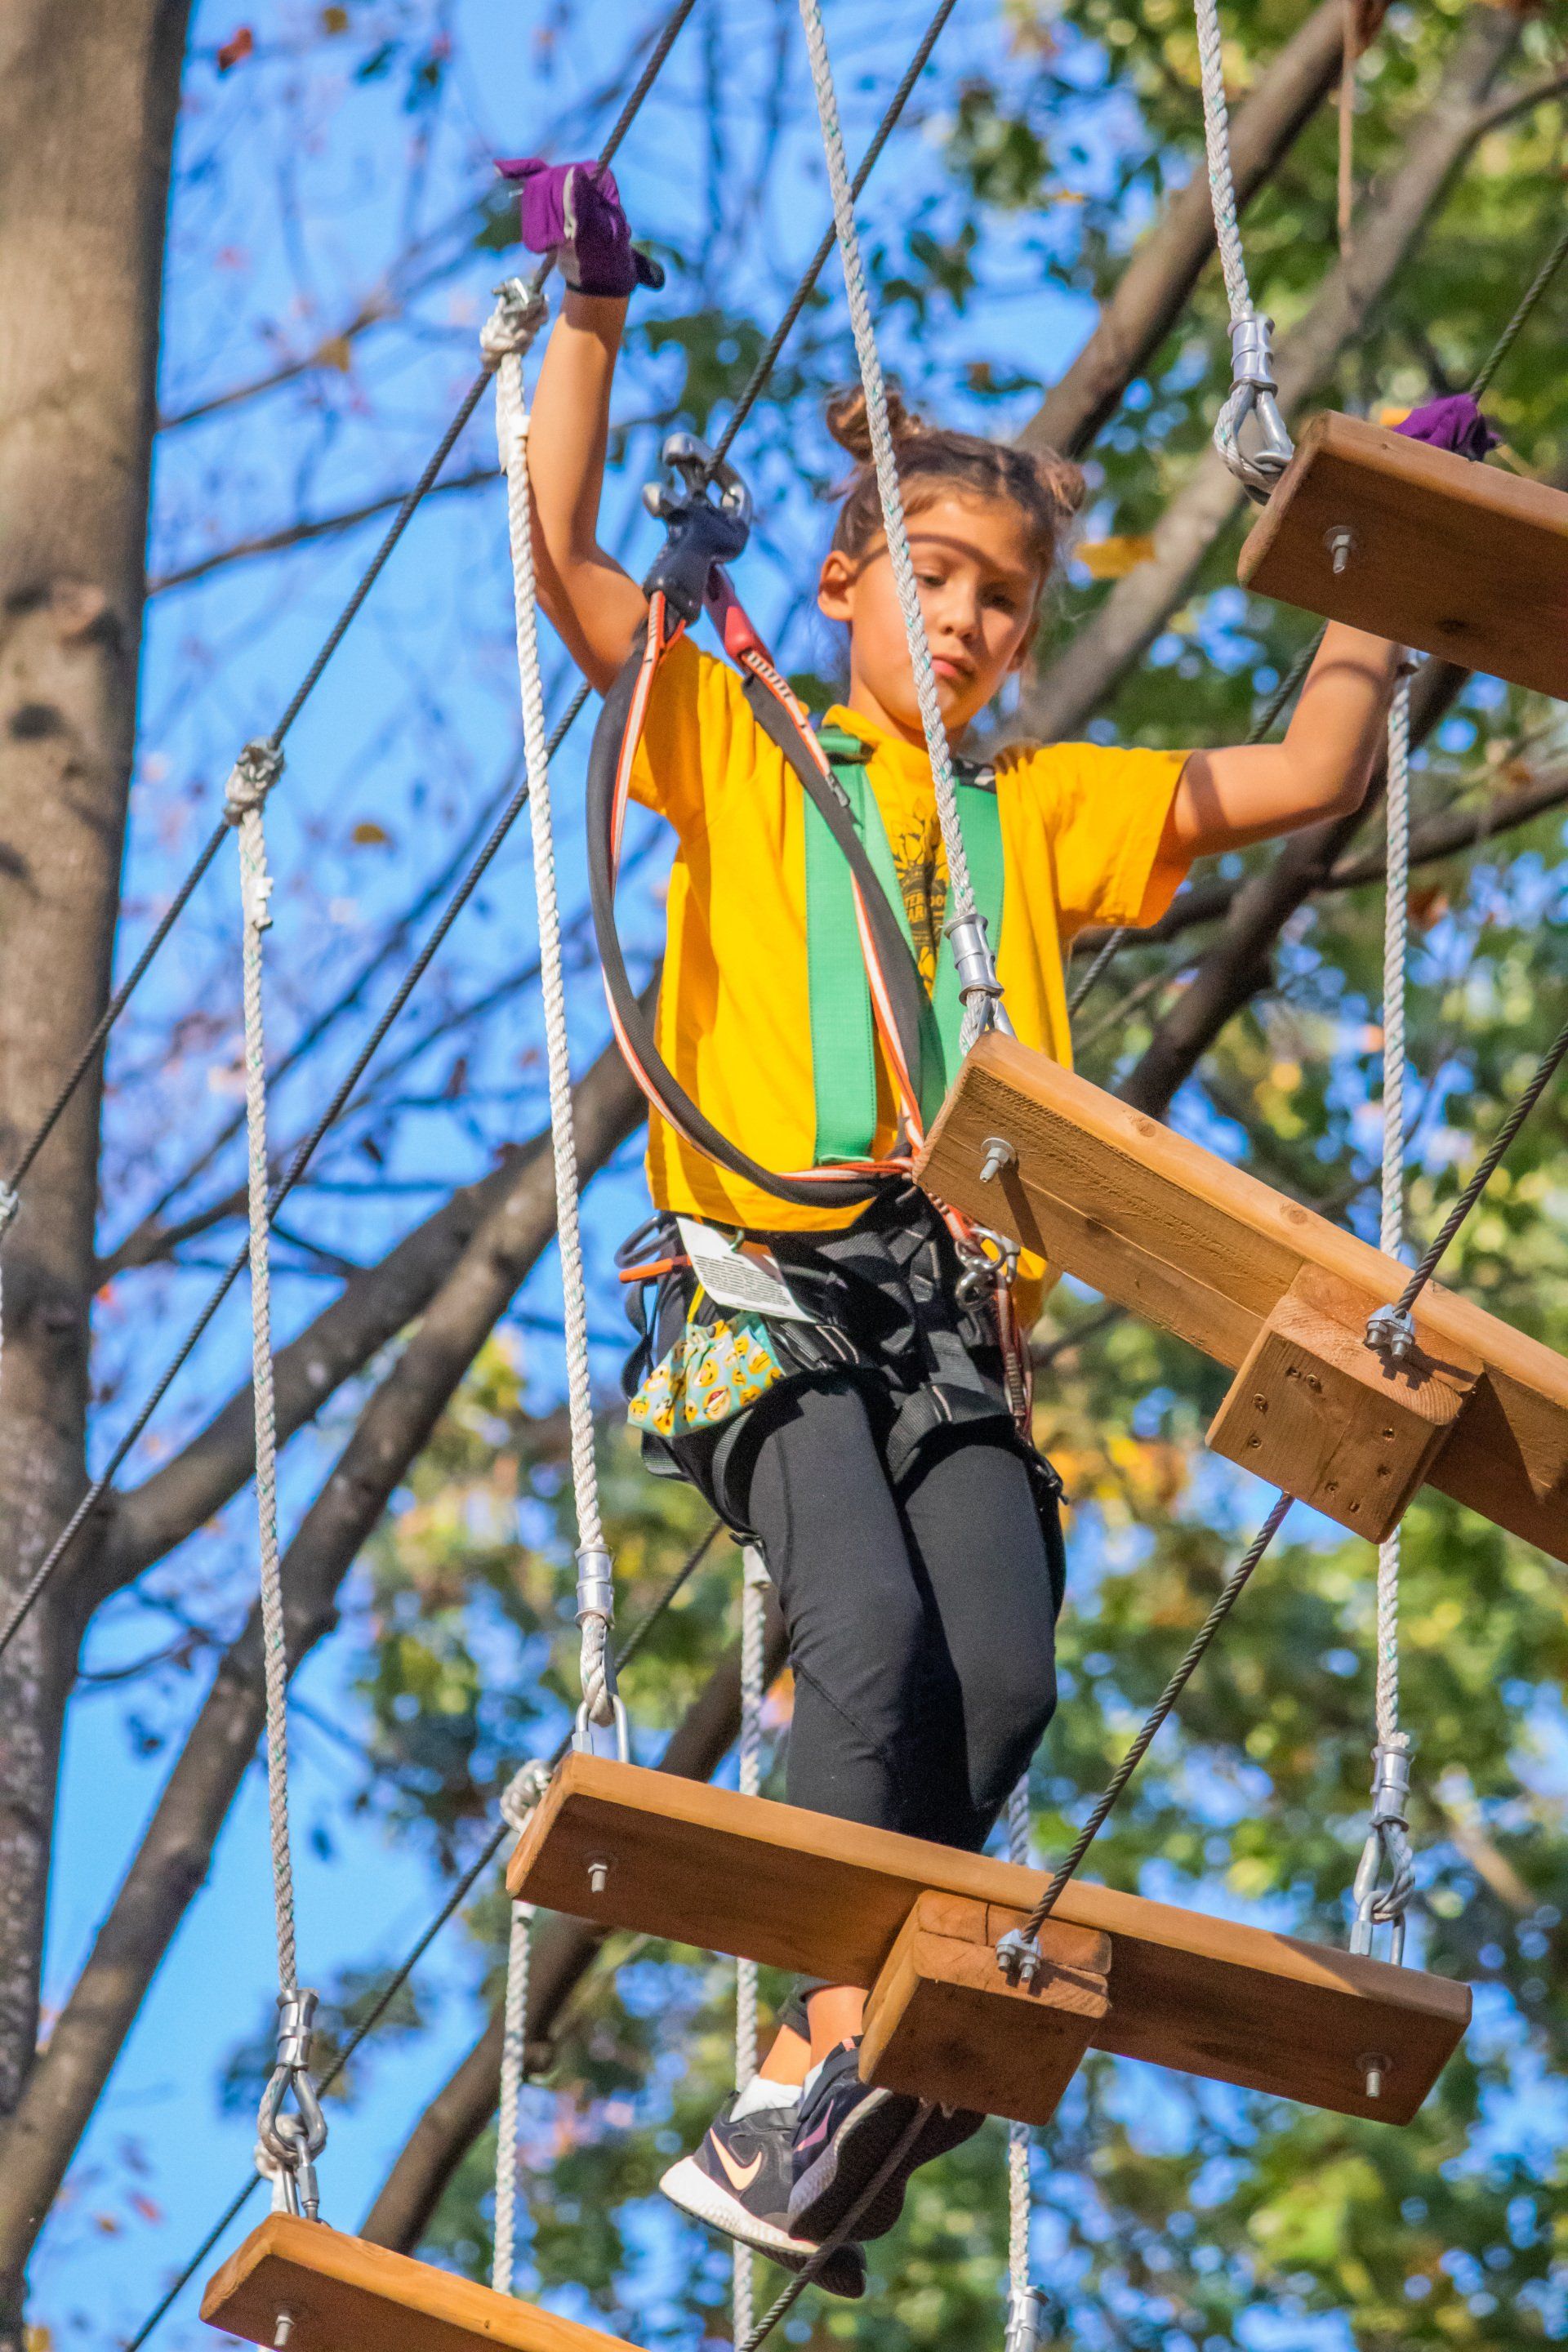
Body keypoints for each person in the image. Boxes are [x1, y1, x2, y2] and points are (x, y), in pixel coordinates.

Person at [509, 156, 1416, 2292]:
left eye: (1005, 596)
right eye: (929, 575)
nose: (975, 620)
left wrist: (1386, 586)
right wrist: (594, 305)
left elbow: (1303, 781)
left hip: (940, 1314)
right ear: (837, 588)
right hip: (750, 1282)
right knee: (880, 1649)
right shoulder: (733, 733)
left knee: (1000, 1685)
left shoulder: (1040, 814)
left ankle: (836, 2101)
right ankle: (810, 2065)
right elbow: (559, 560)